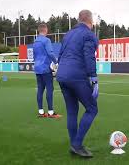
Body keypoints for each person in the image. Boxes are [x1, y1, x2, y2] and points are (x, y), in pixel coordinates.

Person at [57, 10, 99, 158]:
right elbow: (89, 57)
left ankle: (74, 143)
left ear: (79, 19)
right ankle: (77, 144)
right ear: (90, 20)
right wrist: (93, 78)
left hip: (62, 75)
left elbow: (60, 56)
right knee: (92, 109)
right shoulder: (89, 35)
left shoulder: (68, 34)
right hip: (76, 76)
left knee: (72, 111)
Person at [33, 23, 62, 118]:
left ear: (38, 30)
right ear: (46, 30)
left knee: (40, 89)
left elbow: (35, 56)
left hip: (37, 68)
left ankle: (41, 112)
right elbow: (50, 53)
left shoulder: (35, 41)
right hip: (45, 68)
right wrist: (56, 62)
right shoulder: (46, 40)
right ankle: (50, 112)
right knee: (50, 89)